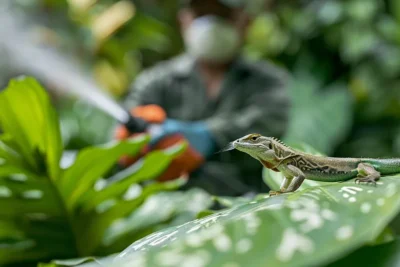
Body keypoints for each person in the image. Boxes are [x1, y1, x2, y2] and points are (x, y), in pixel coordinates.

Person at [119, 0, 291, 197]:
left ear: (246, 21)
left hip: (247, 207)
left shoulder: (267, 80)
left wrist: (209, 136)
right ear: (183, 20)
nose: (211, 25)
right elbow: (121, 139)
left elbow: (269, 123)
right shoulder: (155, 82)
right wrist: (137, 140)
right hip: (167, 211)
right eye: (201, 14)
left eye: (222, 15)